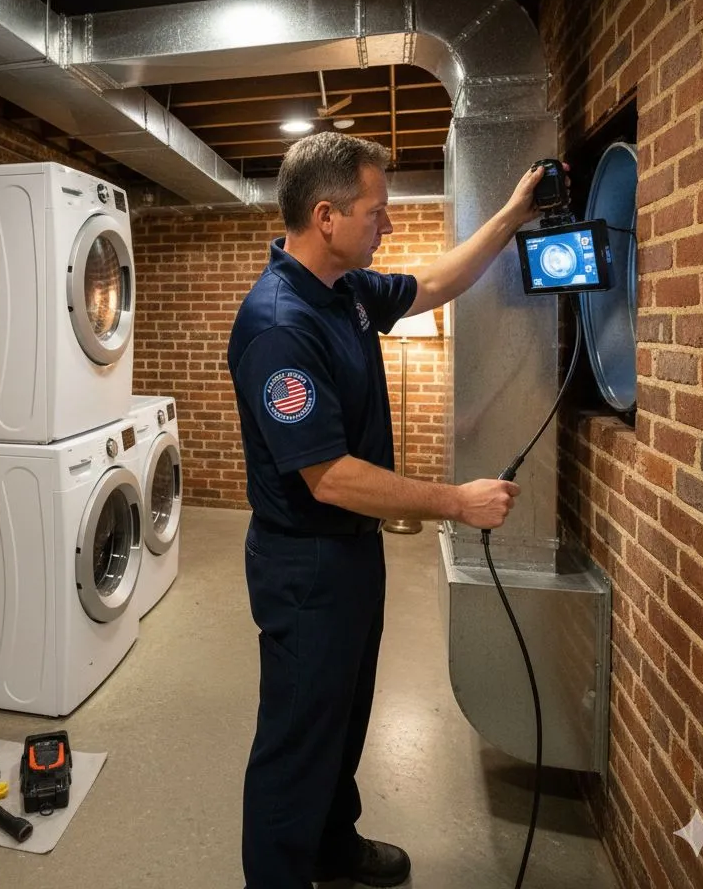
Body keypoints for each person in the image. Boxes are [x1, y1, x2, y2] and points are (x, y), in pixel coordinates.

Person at [227, 131, 561, 889]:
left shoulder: (341, 288)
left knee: (341, 721)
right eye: (376, 212)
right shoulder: (282, 325)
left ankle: (330, 846)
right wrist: (455, 501)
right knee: (297, 739)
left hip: (349, 553)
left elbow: (435, 283)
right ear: (325, 217)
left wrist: (511, 214)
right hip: (305, 561)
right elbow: (330, 478)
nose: (387, 224)